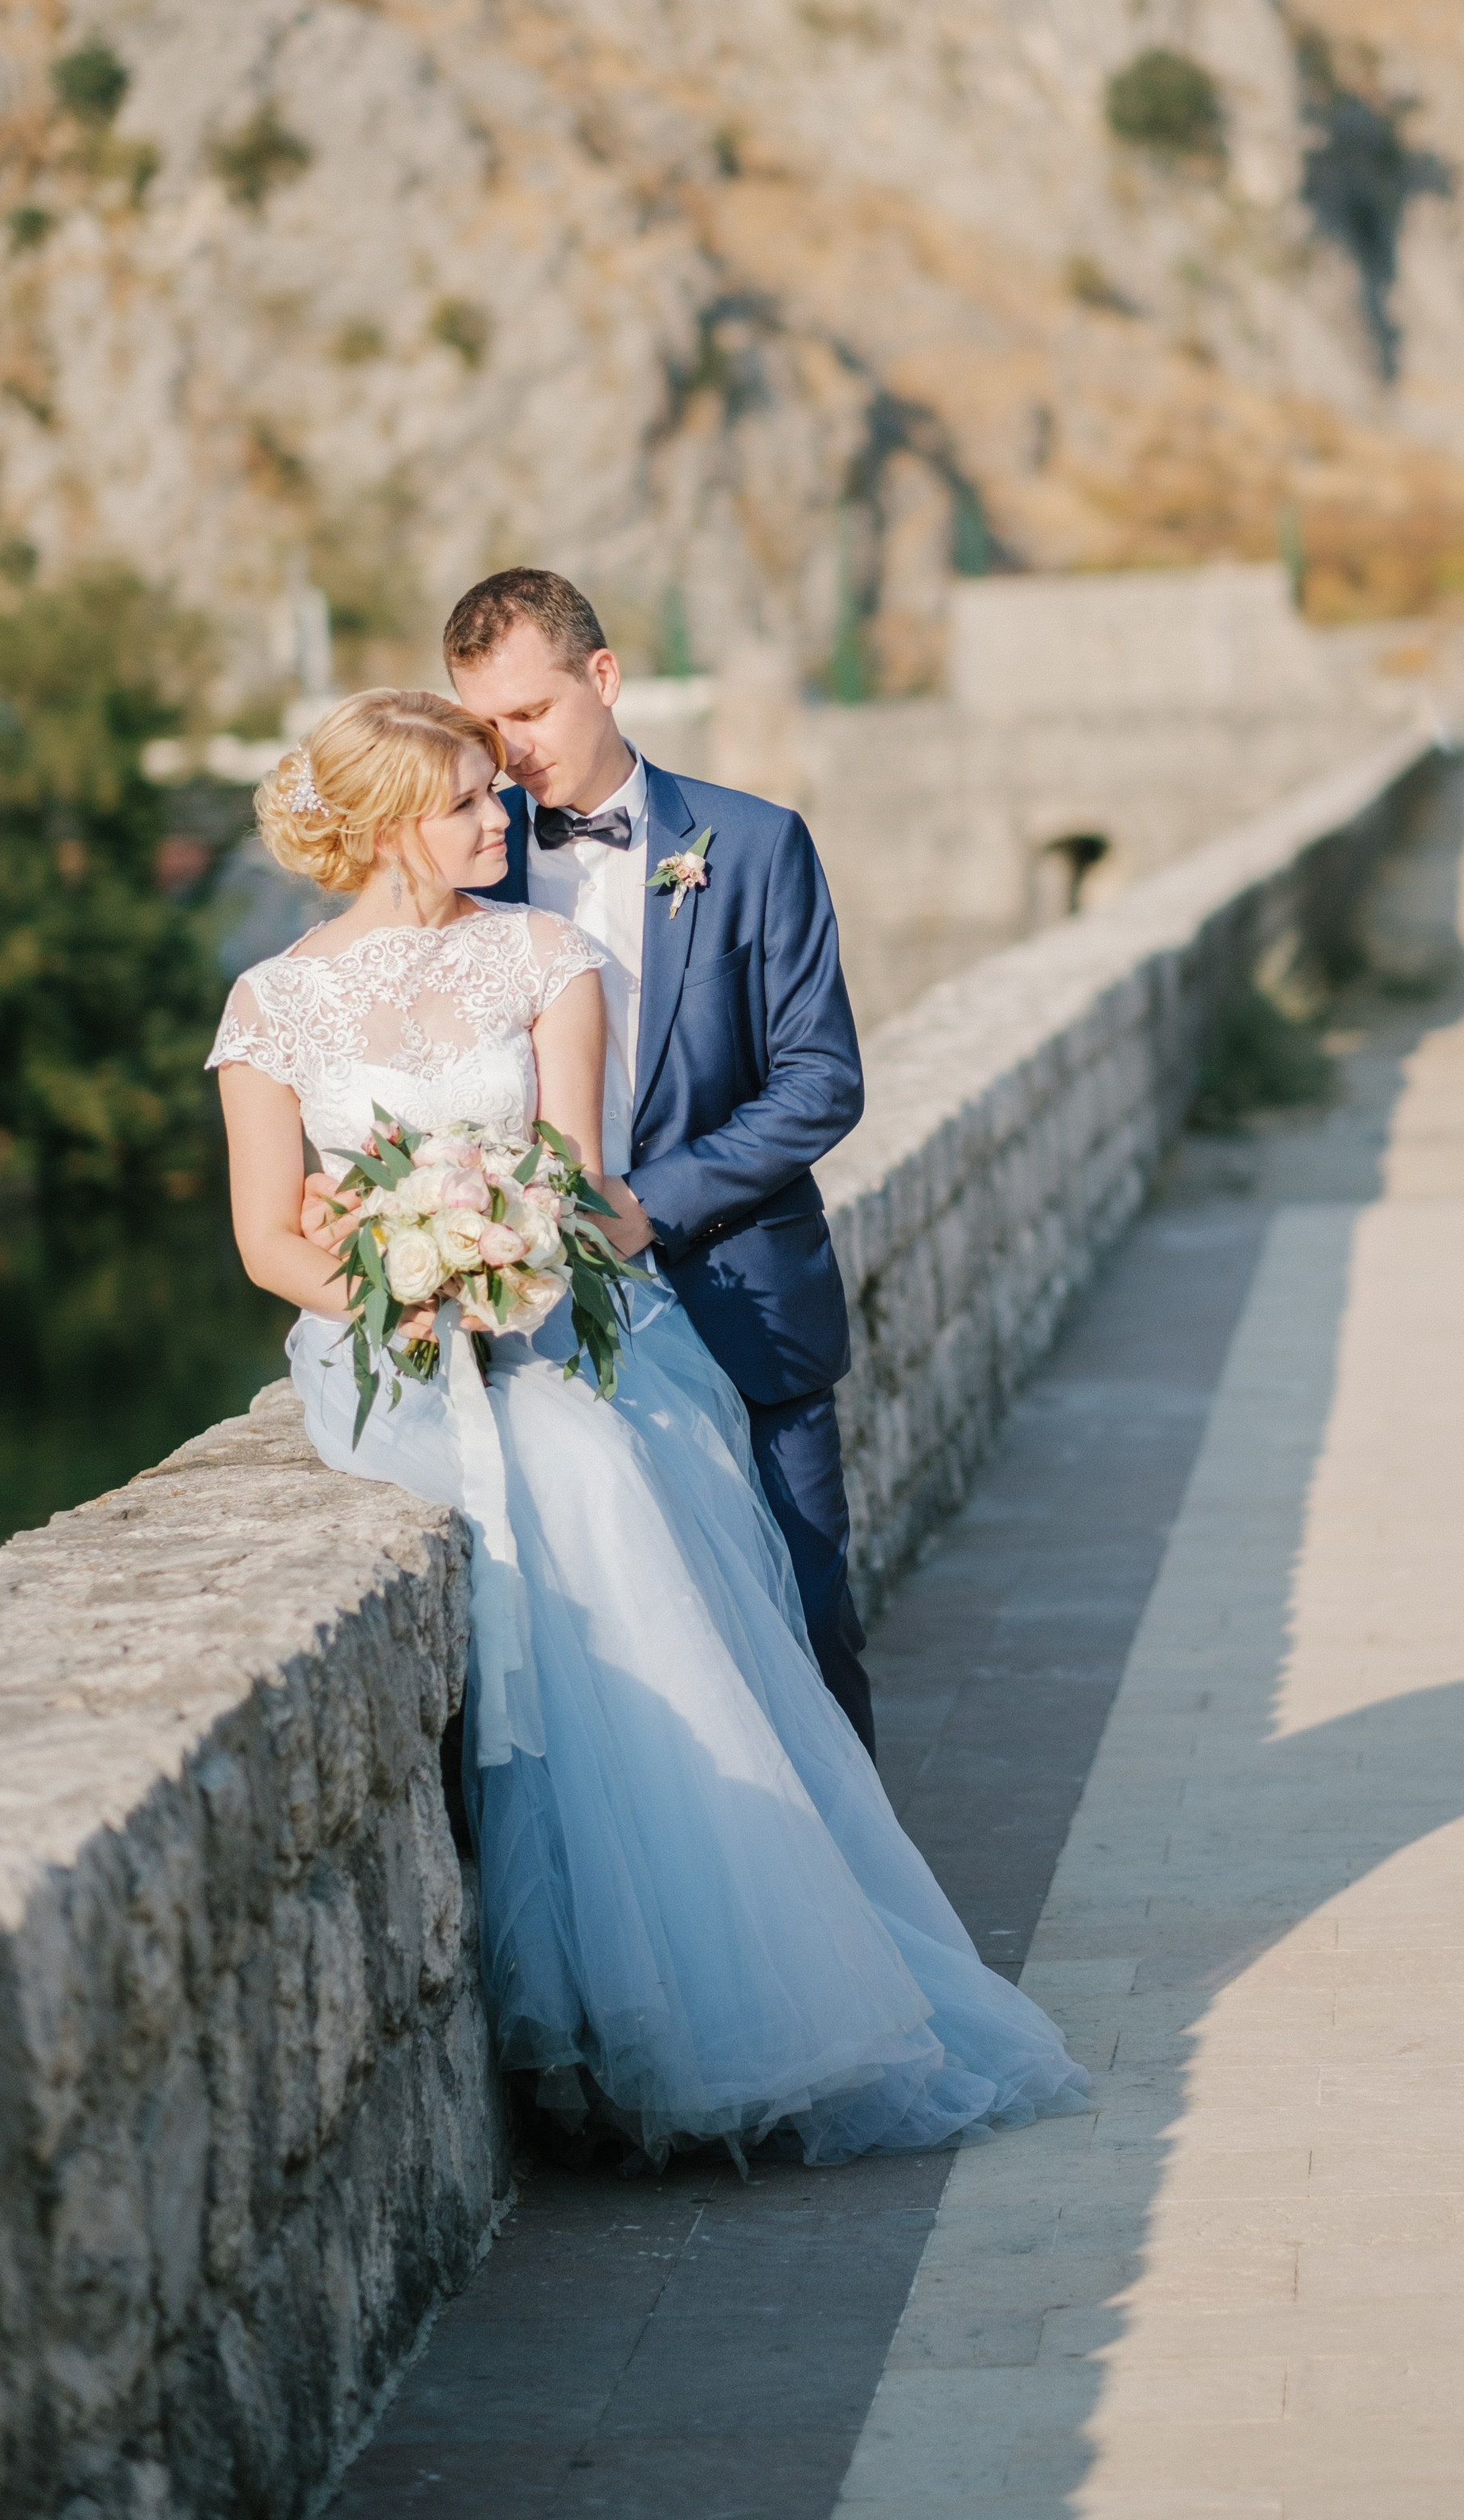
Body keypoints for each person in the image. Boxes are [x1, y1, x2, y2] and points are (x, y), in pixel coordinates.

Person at [212, 685, 1085, 2163]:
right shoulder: (273, 1005)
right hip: (386, 1361)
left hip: (546, 1326)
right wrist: (405, 1299)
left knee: (590, 1477)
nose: (507, 818)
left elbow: (564, 1176)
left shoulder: (549, 959)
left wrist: (499, 1265)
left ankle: (718, 2021)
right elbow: (266, 1240)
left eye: (503, 789)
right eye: (473, 801)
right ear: (384, 825)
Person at [438, 567, 878, 1756]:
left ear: (604, 677)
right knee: (640, 1665)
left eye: (530, 714)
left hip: (745, 1301)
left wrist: (648, 1206)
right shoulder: (468, 872)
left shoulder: (757, 842)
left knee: (810, 1621)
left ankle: (867, 1927)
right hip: (544, 1338)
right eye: (485, 728)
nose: (510, 753)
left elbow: (820, 1081)